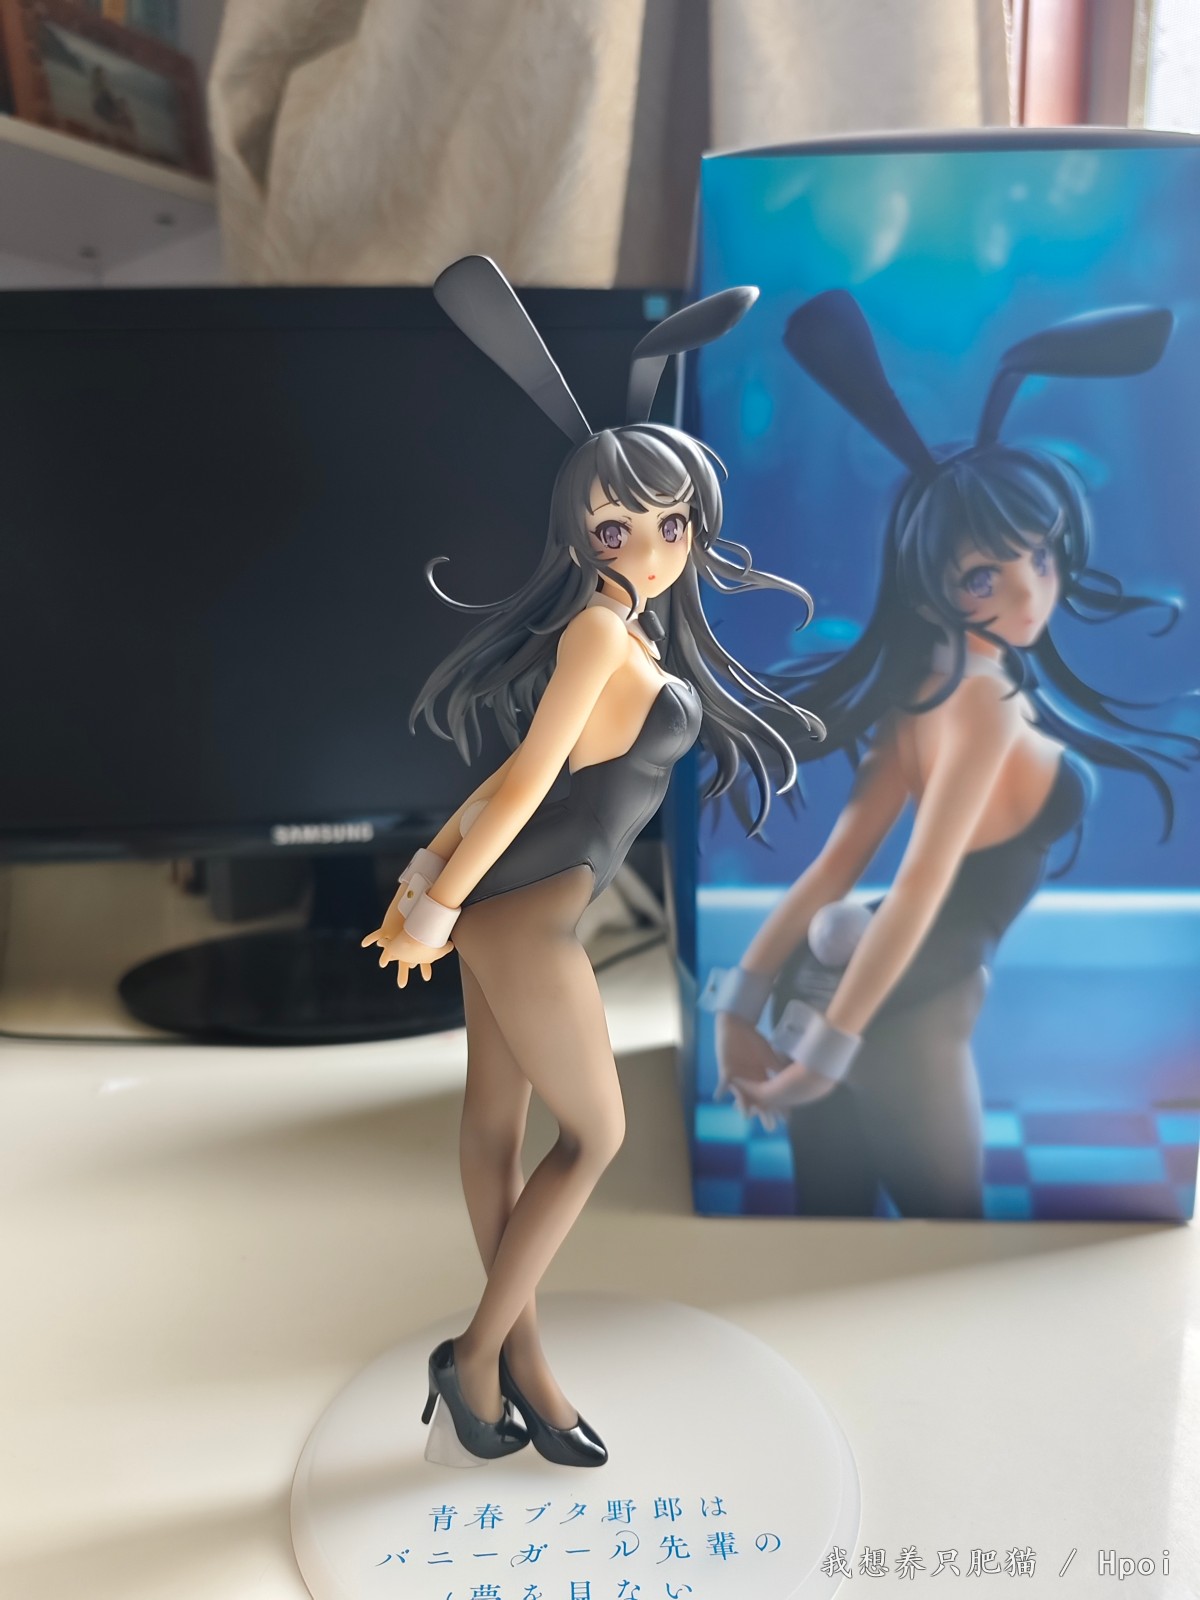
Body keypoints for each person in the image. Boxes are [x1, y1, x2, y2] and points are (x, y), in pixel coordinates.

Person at [361, 257, 821, 1466]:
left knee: (494, 1130)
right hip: (526, 918)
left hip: (513, 906)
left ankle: (522, 1369)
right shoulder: (599, 632)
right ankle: (475, 1356)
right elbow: (525, 780)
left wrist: (426, 876)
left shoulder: (626, 629)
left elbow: (516, 784)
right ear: (579, 530)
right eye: (621, 527)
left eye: (673, 524)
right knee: (596, 1138)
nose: (654, 548)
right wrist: (436, 904)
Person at [708, 290, 1197, 1219]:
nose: (1030, 596)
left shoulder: (921, 692)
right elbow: (918, 890)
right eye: (986, 576)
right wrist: (830, 1052)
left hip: (837, 983)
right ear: (932, 582)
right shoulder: (982, 702)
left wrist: (740, 1007)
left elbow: (836, 872)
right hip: (905, 1009)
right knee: (949, 1241)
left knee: (829, 1230)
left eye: (1040, 560)